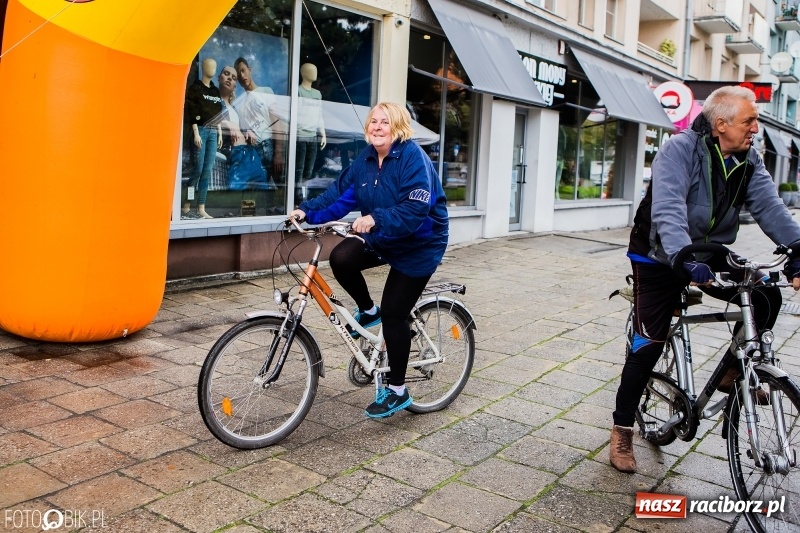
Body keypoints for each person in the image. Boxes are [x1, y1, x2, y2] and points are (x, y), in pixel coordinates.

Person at [610, 85, 800, 474]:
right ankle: (623, 428)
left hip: (710, 252)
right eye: (749, 121)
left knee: (765, 296)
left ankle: (734, 371)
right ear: (720, 124)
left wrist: (798, 247)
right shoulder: (680, 149)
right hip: (659, 253)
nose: (755, 129)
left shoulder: (748, 159)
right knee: (648, 343)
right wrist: (684, 259)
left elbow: (769, 206)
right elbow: (668, 208)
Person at [290, 102, 449, 419]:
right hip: (384, 235)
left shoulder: (412, 158)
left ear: (399, 127)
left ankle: (398, 391)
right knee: (342, 257)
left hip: (419, 242)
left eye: (384, 122)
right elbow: (338, 195)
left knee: (394, 314)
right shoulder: (364, 161)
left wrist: (375, 218)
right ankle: (367, 310)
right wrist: (306, 212)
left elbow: (415, 210)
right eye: (373, 121)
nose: (377, 126)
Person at [233, 57, 284, 187]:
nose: (242, 75)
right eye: (239, 74)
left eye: (243, 70)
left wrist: (279, 152)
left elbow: (276, 121)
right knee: (261, 191)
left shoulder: (265, 91)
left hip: (270, 145)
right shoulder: (239, 104)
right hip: (255, 151)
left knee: (282, 188)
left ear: (250, 70)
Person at [183, 57, 224, 219]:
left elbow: (217, 114)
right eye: (210, 66)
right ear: (204, 68)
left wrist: (220, 132)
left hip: (213, 131)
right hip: (200, 130)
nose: (212, 69)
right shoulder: (196, 88)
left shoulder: (215, 91)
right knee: (198, 169)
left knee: (207, 170)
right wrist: (195, 132)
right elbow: (192, 111)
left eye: (214, 67)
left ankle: (201, 207)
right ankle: (187, 204)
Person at [296, 63, 326, 186]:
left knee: (309, 170)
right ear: (304, 73)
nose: (315, 73)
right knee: (299, 169)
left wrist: (323, 134)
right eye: (311, 70)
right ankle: (295, 196)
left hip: (313, 136)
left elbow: (319, 115)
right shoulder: (298, 91)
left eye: (315, 70)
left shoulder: (317, 94)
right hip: (300, 135)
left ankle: (303, 195)